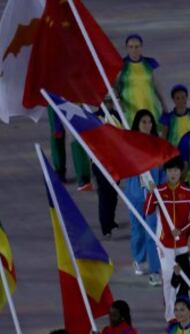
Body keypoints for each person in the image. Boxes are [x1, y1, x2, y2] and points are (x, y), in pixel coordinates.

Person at [144, 156, 190, 321]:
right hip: (165, 244)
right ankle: (170, 315)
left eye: (176, 170)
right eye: (170, 170)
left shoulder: (189, 193)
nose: (173, 173)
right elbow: (147, 211)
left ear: (181, 171)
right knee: (168, 278)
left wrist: (182, 230)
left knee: (185, 277)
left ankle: (188, 310)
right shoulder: (160, 192)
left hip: (184, 244)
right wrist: (151, 193)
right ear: (166, 172)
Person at [123, 109, 163, 285]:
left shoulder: (157, 145)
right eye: (143, 122)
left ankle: (155, 270)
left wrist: (161, 189)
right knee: (137, 229)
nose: (147, 125)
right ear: (137, 125)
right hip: (135, 195)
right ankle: (139, 258)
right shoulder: (130, 145)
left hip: (153, 196)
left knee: (152, 232)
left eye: (149, 122)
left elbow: (162, 170)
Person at [117, 34, 167, 126]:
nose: (134, 50)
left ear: (141, 47)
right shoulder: (121, 65)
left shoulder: (150, 63)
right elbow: (116, 86)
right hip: (130, 107)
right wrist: (118, 102)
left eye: (137, 47)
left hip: (150, 105)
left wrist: (164, 104)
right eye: (131, 47)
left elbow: (156, 85)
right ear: (126, 48)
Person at [92, 94, 122, 238]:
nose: (110, 104)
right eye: (107, 101)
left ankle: (110, 220)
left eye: (112, 101)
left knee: (113, 193)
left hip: (116, 162)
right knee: (104, 194)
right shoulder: (93, 118)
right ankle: (106, 227)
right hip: (100, 162)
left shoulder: (117, 115)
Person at [47, 106, 92, 191]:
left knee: (76, 129)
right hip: (52, 94)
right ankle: (59, 171)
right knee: (56, 130)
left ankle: (83, 176)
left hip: (73, 96)